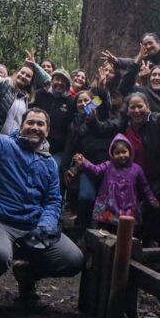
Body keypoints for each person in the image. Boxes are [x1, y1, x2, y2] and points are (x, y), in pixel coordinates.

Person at [0, 105, 83, 318]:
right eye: (30, 122)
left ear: (47, 131)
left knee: (73, 259)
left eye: (40, 124)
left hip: (33, 226)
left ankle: (27, 274)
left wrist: (45, 227)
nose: (35, 127)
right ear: (21, 126)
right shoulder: (3, 145)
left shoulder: (49, 164)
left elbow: (53, 200)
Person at [89, 92, 160, 247]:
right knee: (137, 215)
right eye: (133, 107)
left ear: (148, 107)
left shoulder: (158, 120)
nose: (137, 111)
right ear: (127, 110)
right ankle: (136, 248)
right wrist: (92, 115)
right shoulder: (123, 122)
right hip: (133, 178)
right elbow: (102, 127)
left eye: (140, 106)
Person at [72, 134, 157, 229]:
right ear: (112, 154)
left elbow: (145, 187)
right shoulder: (108, 166)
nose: (121, 155)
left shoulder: (136, 169)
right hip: (108, 210)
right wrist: (84, 162)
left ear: (130, 151)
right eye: (117, 153)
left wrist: (152, 200)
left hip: (128, 209)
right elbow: (96, 170)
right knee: (106, 232)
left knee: (126, 234)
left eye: (124, 152)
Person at [0, 38, 51, 136]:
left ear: (31, 81)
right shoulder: (3, 83)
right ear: (16, 73)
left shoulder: (27, 98)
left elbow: (49, 83)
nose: (23, 76)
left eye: (28, 76)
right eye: (22, 73)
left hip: (11, 145)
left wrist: (34, 65)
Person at [60, 89, 108, 228]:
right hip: (84, 166)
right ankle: (81, 226)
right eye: (79, 101)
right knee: (85, 197)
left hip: (102, 165)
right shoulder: (74, 122)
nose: (83, 103)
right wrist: (65, 168)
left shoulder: (101, 115)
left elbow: (102, 98)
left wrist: (100, 86)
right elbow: (69, 146)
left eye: (86, 100)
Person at [31, 68, 74, 162]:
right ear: (52, 81)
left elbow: (87, 108)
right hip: (34, 144)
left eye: (63, 81)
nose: (60, 82)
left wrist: (101, 94)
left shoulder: (71, 101)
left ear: (67, 85)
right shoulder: (40, 94)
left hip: (57, 151)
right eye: (57, 79)